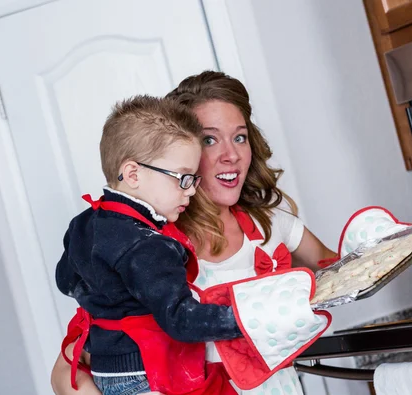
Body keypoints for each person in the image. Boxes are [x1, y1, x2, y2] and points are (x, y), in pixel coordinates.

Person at [51, 72, 338, 395]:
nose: (231, 154)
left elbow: (342, 275)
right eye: (209, 139)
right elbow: (67, 371)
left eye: (240, 137)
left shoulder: (270, 225)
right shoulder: (144, 243)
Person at [55, 95, 245, 395]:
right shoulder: (148, 245)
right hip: (147, 376)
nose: (191, 191)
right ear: (133, 174)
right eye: (183, 179)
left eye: (194, 180)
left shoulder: (83, 223)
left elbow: (65, 281)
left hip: (107, 372)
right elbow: (181, 320)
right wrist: (246, 317)